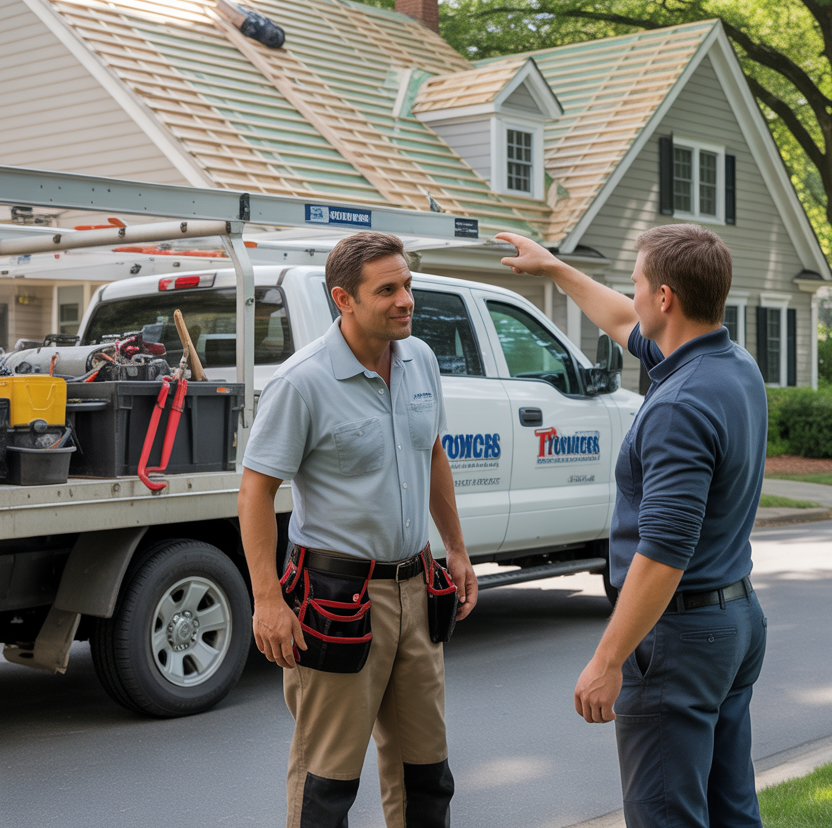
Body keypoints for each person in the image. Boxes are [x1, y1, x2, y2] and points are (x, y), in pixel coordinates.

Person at [496, 224, 768, 828]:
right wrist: (555, 270)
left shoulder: (678, 405)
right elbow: (624, 321)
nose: (632, 294)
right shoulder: (732, 365)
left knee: (666, 816)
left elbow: (665, 549)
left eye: (639, 283)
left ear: (665, 297)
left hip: (681, 636)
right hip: (735, 622)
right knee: (731, 812)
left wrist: (608, 659)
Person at [238, 231, 478, 828]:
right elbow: (256, 490)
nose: (406, 300)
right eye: (388, 290)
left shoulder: (420, 358)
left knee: (428, 776)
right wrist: (267, 599)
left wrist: (457, 549)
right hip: (336, 599)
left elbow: (434, 454)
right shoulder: (302, 382)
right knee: (327, 784)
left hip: (418, 589)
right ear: (343, 298)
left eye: (408, 285)